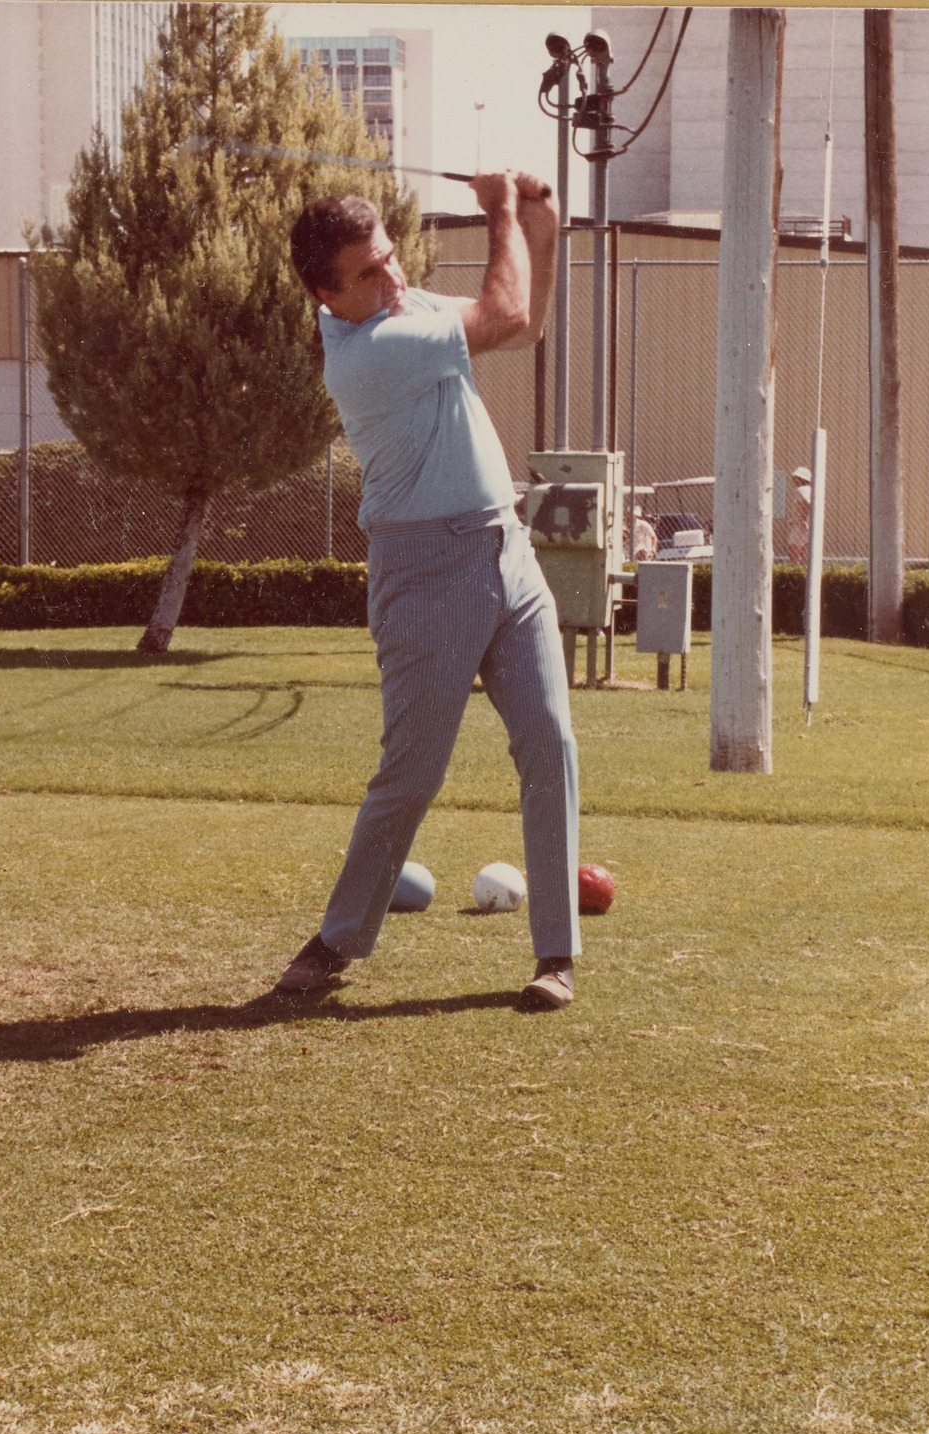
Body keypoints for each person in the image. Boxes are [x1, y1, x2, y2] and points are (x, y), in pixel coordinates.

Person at [277, 171, 575, 1011]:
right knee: (412, 770)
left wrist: (543, 235)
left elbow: (526, 321)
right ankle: (337, 938)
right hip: (425, 573)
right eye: (369, 273)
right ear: (325, 292)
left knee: (550, 744)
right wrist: (503, 212)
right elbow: (504, 313)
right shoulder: (369, 352)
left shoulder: (404, 312)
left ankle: (556, 954)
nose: (394, 278)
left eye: (391, 258)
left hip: (505, 550)